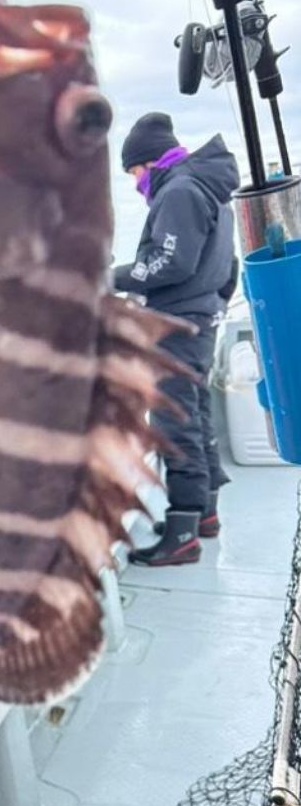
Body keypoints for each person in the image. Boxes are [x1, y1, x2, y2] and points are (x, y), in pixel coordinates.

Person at [113, 111, 240, 567]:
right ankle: (204, 514)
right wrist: (212, 304)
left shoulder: (180, 191)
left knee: (174, 424)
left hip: (177, 325)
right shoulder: (210, 190)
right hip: (200, 321)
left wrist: (112, 278)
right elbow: (229, 266)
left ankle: (182, 533)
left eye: (134, 173)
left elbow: (171, 262)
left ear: (151, 162)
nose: (135, 184)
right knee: (196, 417)